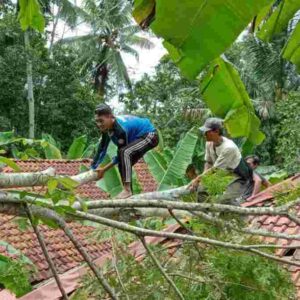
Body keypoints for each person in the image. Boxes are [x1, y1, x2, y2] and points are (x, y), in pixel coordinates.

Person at [91, 103, 158, 199]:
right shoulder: (107, 130)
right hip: (136, 138)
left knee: (124, 153)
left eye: (101, 121)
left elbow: (121, 154)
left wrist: (104, 169)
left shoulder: (120, 130)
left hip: (150, 135)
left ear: (111, 117)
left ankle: (127, 190)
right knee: (123, 164)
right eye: (97, 121)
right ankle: (128, 195)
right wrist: (93, 168)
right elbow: (102, 149)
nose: (99, 124)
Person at [190, 118, 254, 205]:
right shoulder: (209, 143)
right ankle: (205, 215)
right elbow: (208, 163)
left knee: (223, 199)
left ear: (216, 131)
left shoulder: (229, 147)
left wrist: (198, 179)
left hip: (238, 177)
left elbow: (215, 169)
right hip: (223, 173)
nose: (204, 134)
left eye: (207, 132)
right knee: (201, 190)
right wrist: (202, 180)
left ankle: (238, 213)